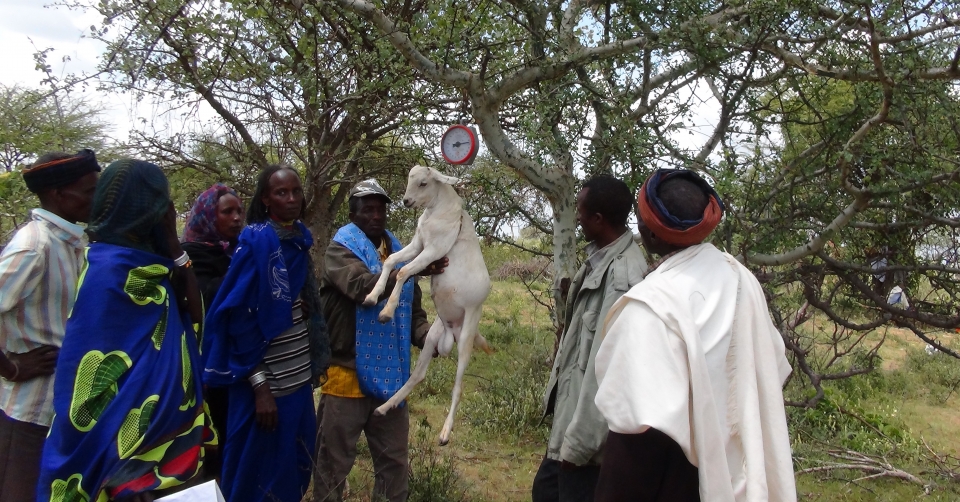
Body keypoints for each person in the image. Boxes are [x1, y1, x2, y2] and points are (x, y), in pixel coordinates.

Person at [592, 169, 796, 502]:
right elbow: (770, 366)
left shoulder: (651, 306)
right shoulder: (741, 278)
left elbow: (635, 441)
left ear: (651, 235)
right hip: (740, 469)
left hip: (679, 480)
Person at [37, 159, 212, 501]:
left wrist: (176, 251)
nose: (169, 209)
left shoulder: (155, 263)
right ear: (145, 207)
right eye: (162, 201)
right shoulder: (108, 270)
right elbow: (85, 374)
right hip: (123, 458)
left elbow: (194, 313)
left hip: (174, 444)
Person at [201, 164, 328, 502]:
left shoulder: (299, 239)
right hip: (267, 386)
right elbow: (238, 320)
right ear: (266, 200)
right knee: (256, 475)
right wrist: (259, 387)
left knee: (295, 465)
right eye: (281, 192)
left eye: (296, 191)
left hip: (298, 379)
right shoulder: (257, 242)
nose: (291, 199)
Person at [314, 178, 444, 502]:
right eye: (366, 210)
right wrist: (412, 269)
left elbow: (412, 313)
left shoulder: (399, 251)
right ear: (353, 214)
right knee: (333, 466)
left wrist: (428, 337)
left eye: (380, 210)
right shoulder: (339, 249)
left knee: (394, 467)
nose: (375, 216)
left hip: (392, 377)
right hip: (346, 374)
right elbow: (364, 289)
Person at [532, 175, 648, 502]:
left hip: (589, 441)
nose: (577, 217)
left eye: (581, 211)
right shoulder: (602, 258)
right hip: (573, 423)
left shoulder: (623, 276)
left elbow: (608, 369)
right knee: (544, 491)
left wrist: (579, 445)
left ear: (598, 219)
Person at [0, 150, 100, 500]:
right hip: (28, 414)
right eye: (88, 191)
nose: (95, 198)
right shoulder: (34, 247)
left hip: (59, 411)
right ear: (58, 195)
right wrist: (11, 367)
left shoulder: (74, 243)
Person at [180, 182, 243, 481]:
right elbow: (206, 302)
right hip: (203, 368)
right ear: (207, 216)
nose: (236, 218)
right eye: (227, 212)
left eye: (239, 211)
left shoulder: (237, 253)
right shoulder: (188, 258)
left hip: (238, 366)